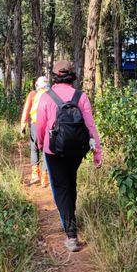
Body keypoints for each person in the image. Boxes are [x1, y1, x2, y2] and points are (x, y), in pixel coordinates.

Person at [35, 60, 102, 252]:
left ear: (54, 76)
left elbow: (40, 125)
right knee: (70, 183)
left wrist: (40, 144)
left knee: (61, 187)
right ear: (73, 75)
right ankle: (69, 218)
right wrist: (97, 151)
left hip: (53, 150)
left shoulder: (46, 97)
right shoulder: (81, 96)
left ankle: (71, 233)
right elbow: (90, 126)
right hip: (76, 150)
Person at [20, 76, 49, 185]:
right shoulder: (51, 94)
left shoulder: (33, 94)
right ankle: (44, 177)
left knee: (34, 148)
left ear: (37, 85)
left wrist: (23, 125)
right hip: (48, 126)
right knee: (46, 150)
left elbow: (26, 109)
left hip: (35, 125)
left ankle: (35, 174)